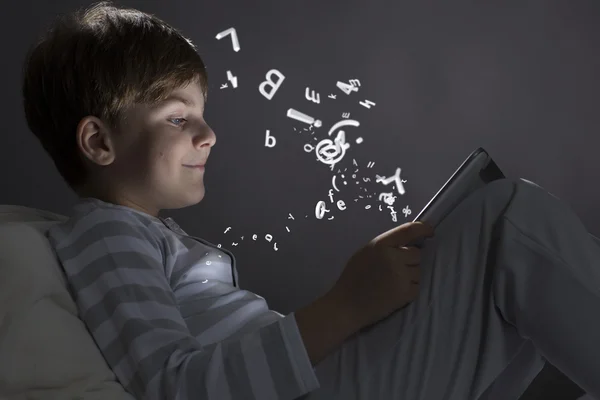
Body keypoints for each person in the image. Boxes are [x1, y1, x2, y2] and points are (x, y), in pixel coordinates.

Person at [21, 1, 599, 399]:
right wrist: (347, 306)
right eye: (178, 117)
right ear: (99, 141)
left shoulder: (148, 235)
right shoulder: (109, 235)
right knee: (506, 218)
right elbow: (179, 388)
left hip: (324, 380)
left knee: (509, 290)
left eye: (202, 113)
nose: (208, 134)